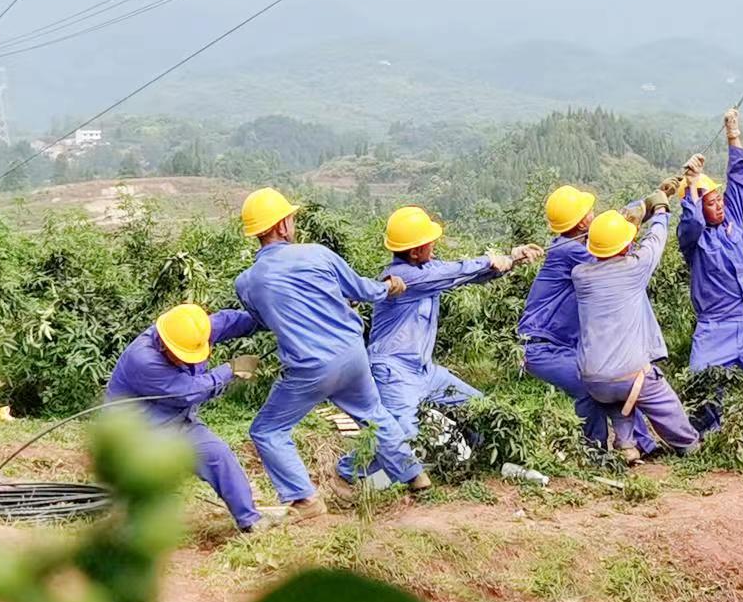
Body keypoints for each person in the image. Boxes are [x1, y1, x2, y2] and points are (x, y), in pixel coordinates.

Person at [231, 187, 419, 518]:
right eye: (290, 218)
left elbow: (264, 321)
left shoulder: (247, 282)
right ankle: (415, 475)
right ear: (281, 226)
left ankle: (304, 500)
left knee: (267, 430)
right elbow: (362, 290)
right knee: (374, 413)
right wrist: (389, 286)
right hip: (352, 355)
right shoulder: (317, 253)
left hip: (309, 368)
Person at [336, 205, 541, 486]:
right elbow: (455, 271)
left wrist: (511, 260)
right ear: (415, 250)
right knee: (400, 436)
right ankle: (346, 473)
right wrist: (490, 259)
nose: (434, 244)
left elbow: (462, 275)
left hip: (425, 372)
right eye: (429, 241)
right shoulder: (406, 278)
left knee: (479, 408)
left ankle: (476, 462)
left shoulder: (425, 268)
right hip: (394, 373)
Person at [105, 302, 276, 533]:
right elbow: (188, 392)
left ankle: (250, 521)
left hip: (178, 422)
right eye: (179, 355)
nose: (184, 359)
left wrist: (274, 316)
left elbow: (231, 322)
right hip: (138, 433)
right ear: (164, 344)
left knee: (218, 455)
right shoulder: (144, 359)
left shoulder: (193, 331)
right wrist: (231, 369)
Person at [517, 185, 657, 456]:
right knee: (588, 386)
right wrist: (646, 213)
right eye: (589, 210)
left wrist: (647, 203)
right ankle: (595, 451)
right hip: (542, 348)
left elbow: (609, 232)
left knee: (613, 377)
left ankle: (640, 444)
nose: (593, 213)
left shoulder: (574, 245)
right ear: (582, 220)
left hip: (565, 345)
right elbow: (612, 248)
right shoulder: (569, 251)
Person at [677, 107, 743, 426]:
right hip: (715, 326)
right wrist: (693, 184)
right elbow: (691, 220)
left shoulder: (733, 220)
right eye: (711, 203)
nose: (719, 205)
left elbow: (738, 181)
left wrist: (733, 134)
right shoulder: (694, 241)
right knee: (703, 380)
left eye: (719, 199)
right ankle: (710, 435)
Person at [573, 197, 701, 457]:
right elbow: (655, 240)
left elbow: (600, 245)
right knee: (663, 402)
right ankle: (689, 445)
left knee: (617, 396)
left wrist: (635, 211)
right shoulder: (635, 268)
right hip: (629, 376)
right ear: (627, 245)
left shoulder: (581, 275)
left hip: (592, 379)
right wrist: (661, 209)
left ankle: (626, 444)